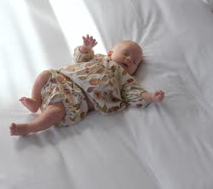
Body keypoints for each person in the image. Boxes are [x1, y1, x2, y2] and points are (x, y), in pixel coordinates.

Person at [9, 35, 164, 136]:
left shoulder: (125, 79)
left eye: (135, 62)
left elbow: (132, 93)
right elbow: (80, 59)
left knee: (55, 112)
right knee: (44, 74)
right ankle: (35, 100)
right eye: (126, 54)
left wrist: (149, 96)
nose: (130, 60)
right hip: (63, 80)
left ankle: (29, 127)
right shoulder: (98, 58)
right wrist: (86, 48)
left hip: (77, 101)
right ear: (110, 54)